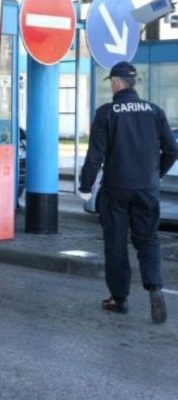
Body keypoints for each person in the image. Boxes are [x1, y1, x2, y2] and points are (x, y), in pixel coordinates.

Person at [79, 61, 178, 324]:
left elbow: (95, 156)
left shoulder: (106, 113)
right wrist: (155, 174)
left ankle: (119, 299)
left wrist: (85, 187)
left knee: (116, 244)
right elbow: (172, 150)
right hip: (147, 189)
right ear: (133, 83)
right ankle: (155, 287)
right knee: (148, 240)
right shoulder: (154, 111)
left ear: (115, 83)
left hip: (116, 190)